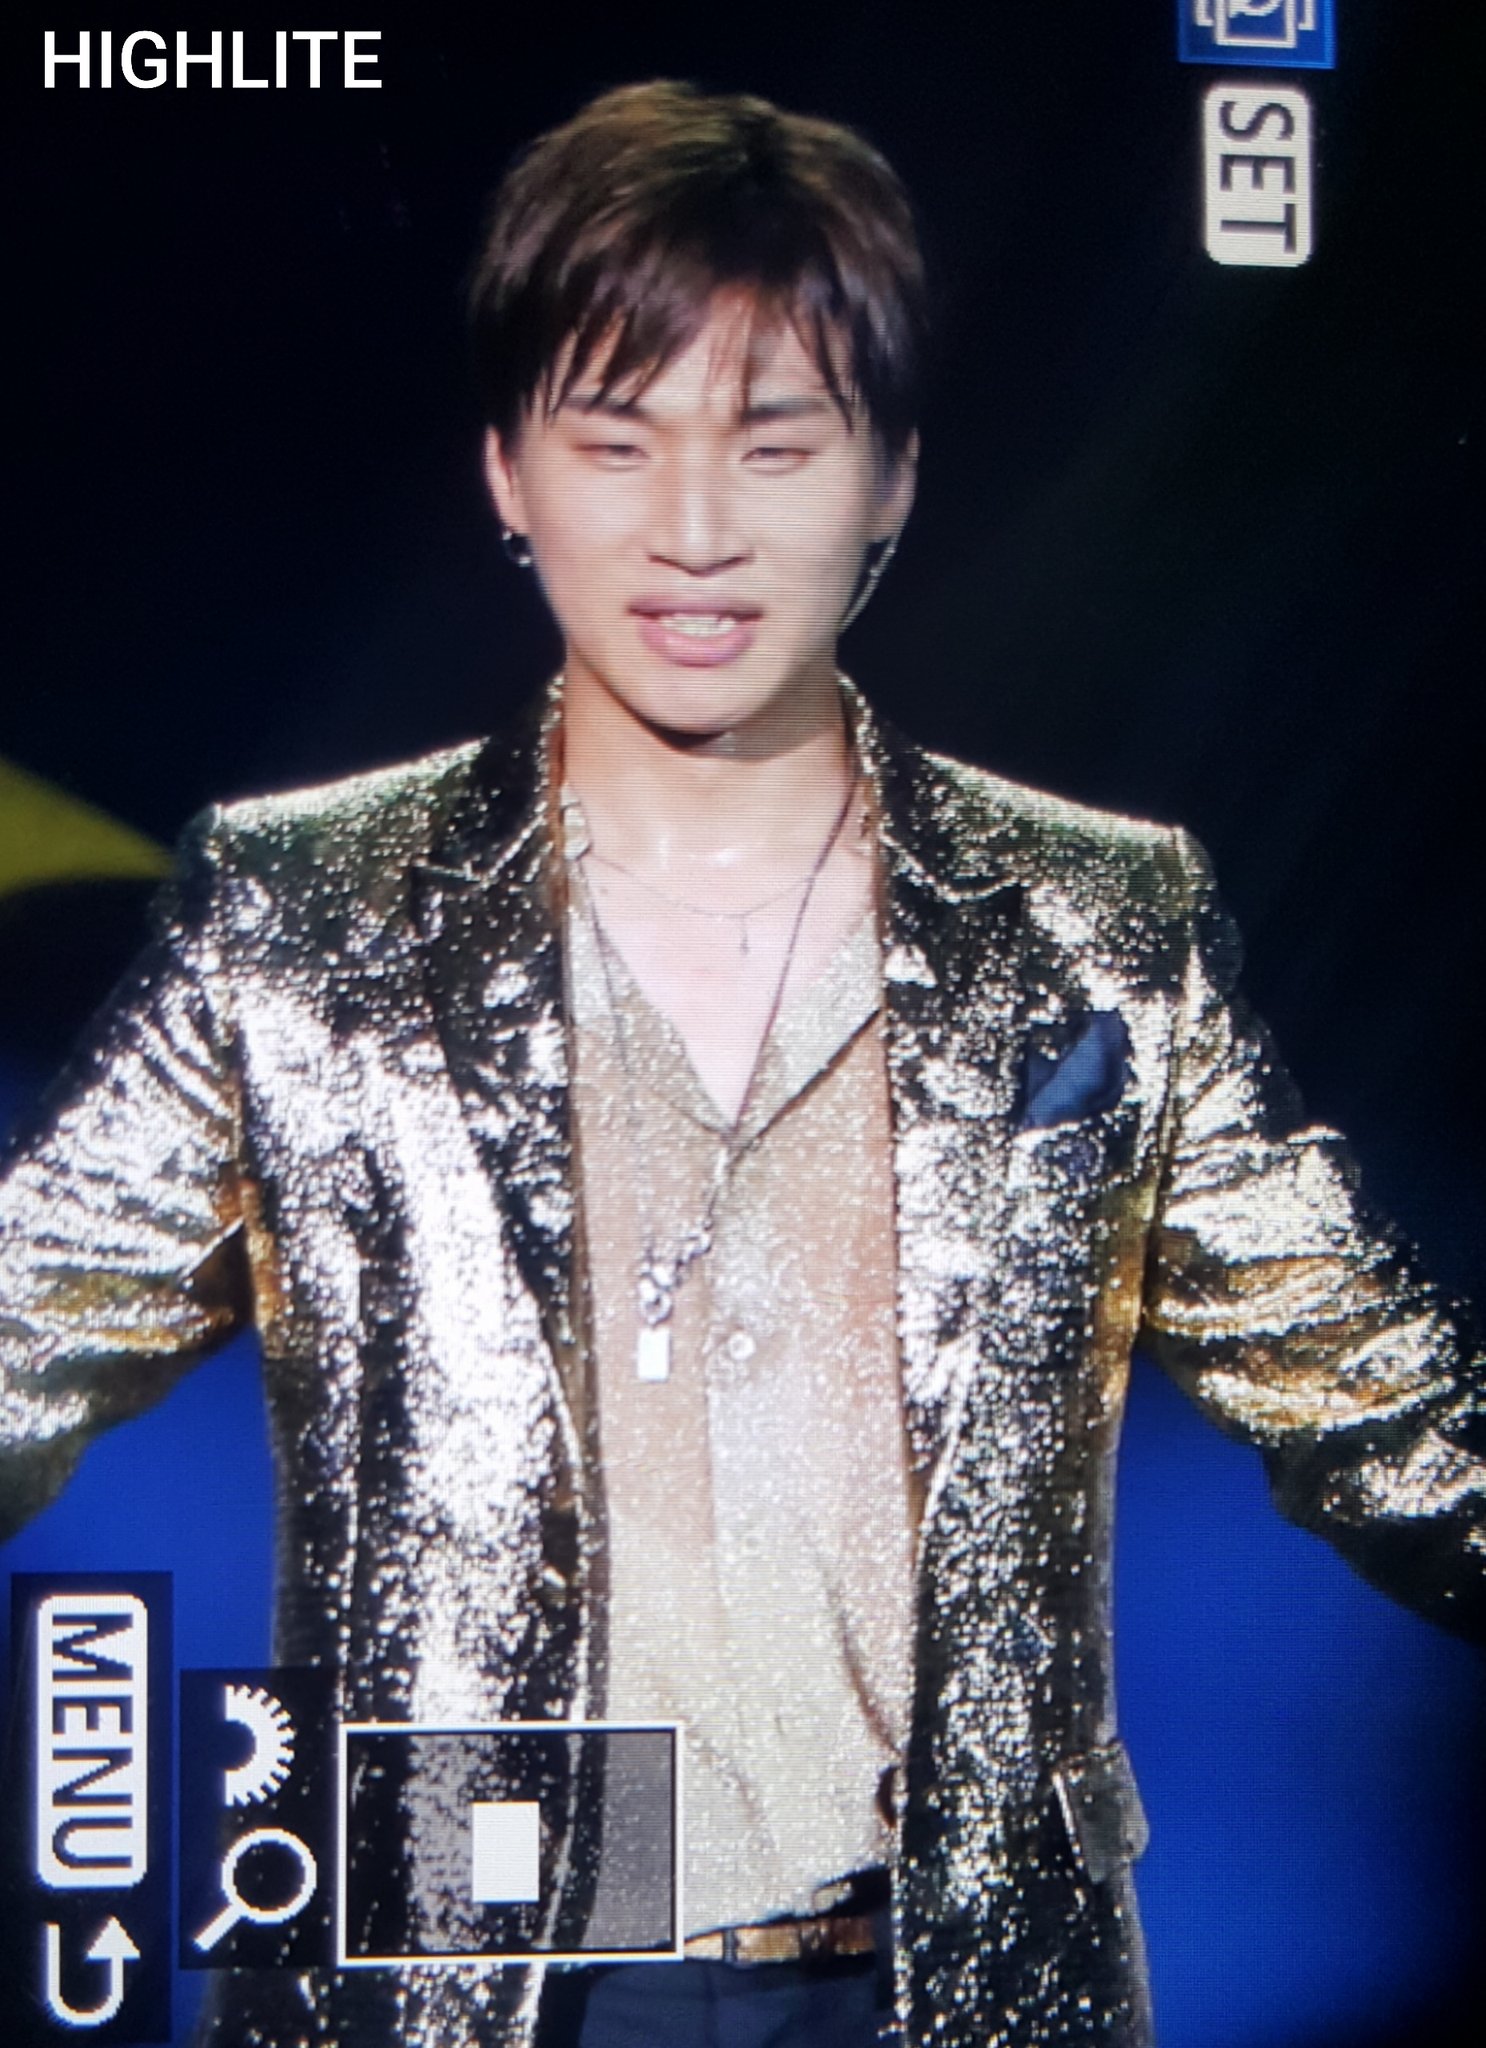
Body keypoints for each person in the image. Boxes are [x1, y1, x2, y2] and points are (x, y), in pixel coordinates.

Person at [1, 77, 1482, 2048]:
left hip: (937, 1972)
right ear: (508, 474)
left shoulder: (1090, 924)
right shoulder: (309, 917)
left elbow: (1384, 1410)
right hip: (469, 1963)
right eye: (615, 443)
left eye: (774, 443)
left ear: (889, 479)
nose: (694, 531)